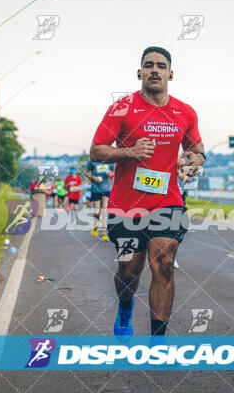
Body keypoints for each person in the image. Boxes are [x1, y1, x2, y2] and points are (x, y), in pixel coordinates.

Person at [89, 46, 205, 344]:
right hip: (126, 205)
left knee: (164, 264)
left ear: (170, 73)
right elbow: (97, 150)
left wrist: (195, 160)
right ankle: (125, 308)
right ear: (139, 72)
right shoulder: (122, 107)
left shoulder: (185, 111)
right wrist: (129, 151)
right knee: (129, 271)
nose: (155, 70)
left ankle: (158, 342)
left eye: (161, 65)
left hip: (168, 201)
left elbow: (196, 148)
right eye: (149, 65)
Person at [85, 158, 115, 241]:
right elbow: (86, 173)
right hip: (95, 189)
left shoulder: (110, 160)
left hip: (107, 189)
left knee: (104, 211)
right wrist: (93, 178)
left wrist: (111, 174)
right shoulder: (92, 160)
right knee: (96, 212)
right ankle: (95, 226)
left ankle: (104, 233)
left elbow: (115, 172)